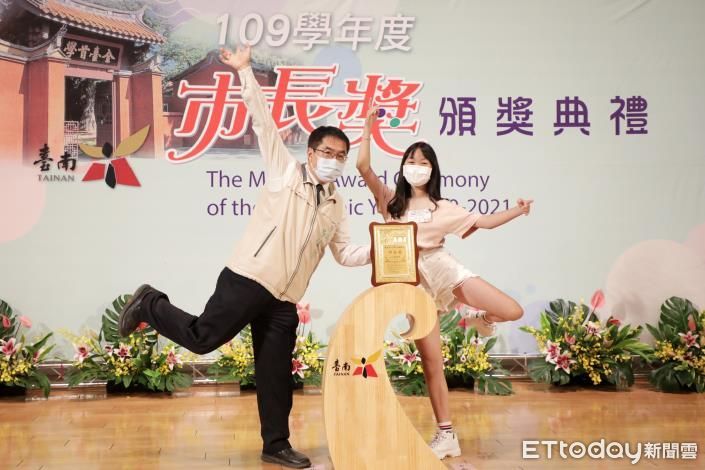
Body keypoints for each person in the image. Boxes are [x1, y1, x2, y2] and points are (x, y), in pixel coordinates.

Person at [118, 45, 370, 469]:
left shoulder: (336, 203)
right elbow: (263, 121)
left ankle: (276, 445)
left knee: (276, 374)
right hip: (250, 278)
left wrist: (384, 251)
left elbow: (345, 253)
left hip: (285, 298)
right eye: (328, 153)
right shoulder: (285, 171)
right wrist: (245, 71)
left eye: (341, 157)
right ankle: (150, 304)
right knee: (202, 338)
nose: (334, 161)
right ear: (310, 153)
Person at [356, 104, 531, 459]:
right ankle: (446, 434)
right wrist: (367, 126)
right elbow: (363, 167)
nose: (416, 166)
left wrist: (519, 209)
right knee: (432, 362)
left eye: (423, 162)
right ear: (403, 166)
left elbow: (485, 222)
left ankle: (480, 319)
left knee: (511, 310)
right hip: (413, 283)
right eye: (411, 160)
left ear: (432, 169)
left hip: (443, 270)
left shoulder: (443, 207)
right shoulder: (391, 202)